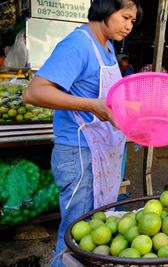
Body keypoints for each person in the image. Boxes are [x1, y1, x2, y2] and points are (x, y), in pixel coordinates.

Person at [22, 0, 142, 266]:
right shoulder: (78, 45)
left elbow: (106, 98)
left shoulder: (108, 47)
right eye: (125, 17)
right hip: (80, 153)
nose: (129, 26)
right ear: (105, 9)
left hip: (101, 152)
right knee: (77, 235)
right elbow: (33, 92)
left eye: (133, 21)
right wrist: (91, 105)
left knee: (93, 232)